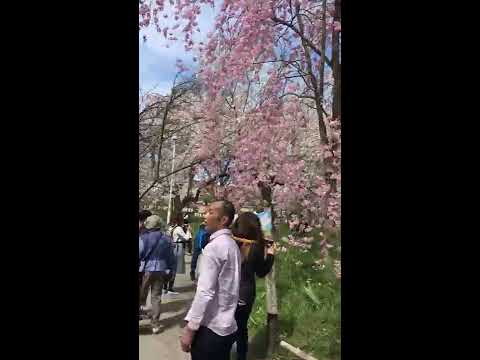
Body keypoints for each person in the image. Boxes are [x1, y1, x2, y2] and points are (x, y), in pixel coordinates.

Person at [180, 200, 241, 360]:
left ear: (224, 220)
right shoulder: (232, 245)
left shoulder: (214, 248)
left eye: (210, 212)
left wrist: (190, 328)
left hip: (210, 327)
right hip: (227, 326)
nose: (205, 216)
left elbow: (205, 291)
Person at [231, 212, 275, 360]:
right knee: (241, 329)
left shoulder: (229, 242)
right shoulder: (255, 247)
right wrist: (270, 254)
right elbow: (262, 272)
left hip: (227, 292)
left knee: (224, 327)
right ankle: (241, 357)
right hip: (245, 294)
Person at [139, 215, 176, 334]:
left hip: (146, 269)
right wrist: (171, 270)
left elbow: (139, 253)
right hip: (161, 270)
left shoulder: (144, 238)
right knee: (156, 297)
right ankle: (155, 324)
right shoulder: (167, 239)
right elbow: (171, 257)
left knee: (141, 295)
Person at [164, 216, 190, 295]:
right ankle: (170, 288)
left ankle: (164, 287)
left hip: (170, 247)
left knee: (168, 267)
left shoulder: (170, 228)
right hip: (178, 247)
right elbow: (186, 238)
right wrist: (188, 230)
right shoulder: (178, 228)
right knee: (174, 268)